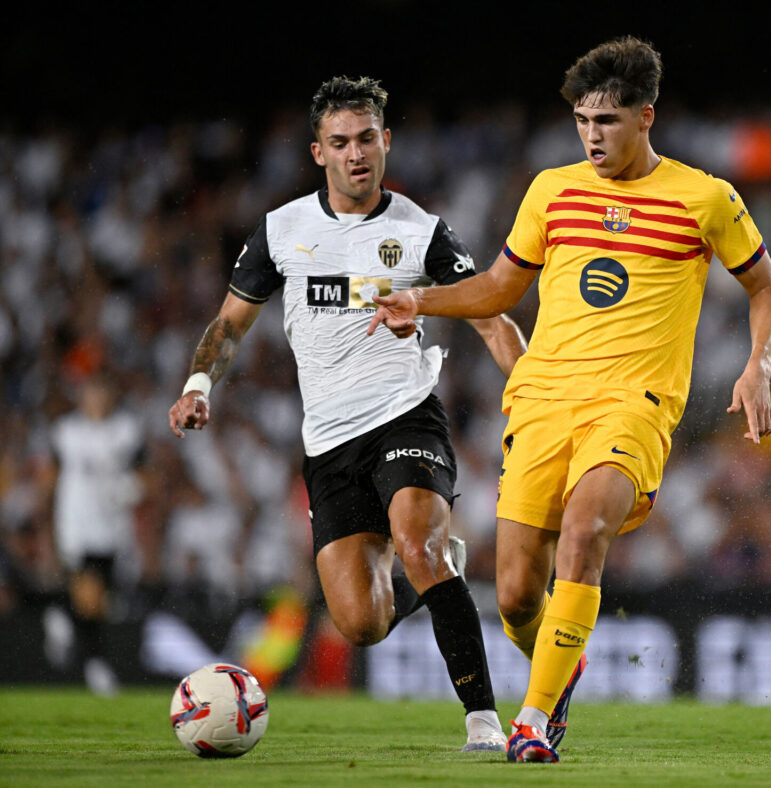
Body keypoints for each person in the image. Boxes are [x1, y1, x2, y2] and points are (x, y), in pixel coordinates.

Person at [370, 37, 771, 762]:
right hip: (542, 399)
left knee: (587, 529)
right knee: (516, 596)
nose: (593, 136)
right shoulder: (551, 191)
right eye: (583, 122)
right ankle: (561, 670)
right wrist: (424, 301)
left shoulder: (705, 198)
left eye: (609, 122)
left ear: (646, 117)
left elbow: (765, 289)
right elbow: (502, 289)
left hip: (635, 404)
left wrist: (759, 366)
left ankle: (531, 720)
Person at [168, 75, 527, 752]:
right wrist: (197, 386)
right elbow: (229, 324)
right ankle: (438, 575)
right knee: (361, 621)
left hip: (405, 415)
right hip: (329, 443)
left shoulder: (420, 232)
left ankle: (483, 718)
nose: (356, 153)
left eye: (367, 138)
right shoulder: (282, 230)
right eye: (340, 142)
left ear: (385, 141)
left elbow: (489, 314)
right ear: (318, 153)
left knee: (416, 546)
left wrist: (535, 389)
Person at [51, 372, 145, 696]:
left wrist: (133, 488)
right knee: (89, 595)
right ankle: (96, 666)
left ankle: (61, 613)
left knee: (105, 601)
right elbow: (49, 476)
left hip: (113, 526)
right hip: (76, 523)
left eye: (102, 393)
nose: (97, 400)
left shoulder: (125, 430)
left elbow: (145, 474)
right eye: (91, 393)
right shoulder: (66, 431)